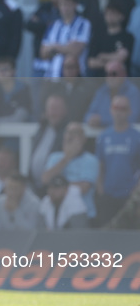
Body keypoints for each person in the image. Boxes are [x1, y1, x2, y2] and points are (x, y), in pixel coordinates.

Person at [95, 95, 140, 225]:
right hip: (108, 195)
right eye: (116, 107)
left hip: (130, 196)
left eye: (123, 108)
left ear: (129, 111)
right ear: (111, 110)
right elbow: (100, 166)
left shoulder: (136, 137)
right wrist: (100, 189)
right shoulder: (104, 137)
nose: (119, 112)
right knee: (107, 235)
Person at [42, 122, 100, 220]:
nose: (70, 136)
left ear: (83, 139)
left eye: (75, 132)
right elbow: (45, 180)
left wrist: (57, 187)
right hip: (56, 214)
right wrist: (67, 157)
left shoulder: (91, 160)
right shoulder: (54, 157)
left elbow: (83, 188)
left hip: (82, 214)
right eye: (68, 132)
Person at [40, 0, 91, 78]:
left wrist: (53, 47)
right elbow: (43, 53)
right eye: (62, 4)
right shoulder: (53, 26)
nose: (64, 8)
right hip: (52, 77)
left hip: (74, 78)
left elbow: (76, 51)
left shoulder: (83, 24)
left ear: (75, 5)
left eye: (67, 4)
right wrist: (66, 48)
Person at [84, 61, 140, 128]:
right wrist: (90, 119)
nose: (110, 77)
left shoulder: (133, 92)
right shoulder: (101, 91)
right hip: (99, 135)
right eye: (107, 74)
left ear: (123, 75)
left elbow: (132, 118)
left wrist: (102, 121)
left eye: (113, 73)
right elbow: (88, 114)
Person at [25, 0, 64, 76]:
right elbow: (29, 24)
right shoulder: (44, 7)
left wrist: (43, 24)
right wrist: (47, 25)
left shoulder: (67, 10)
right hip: (40, 61)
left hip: (59, 62)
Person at [87, 2, 135, 76]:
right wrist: (112, 61)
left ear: (122, 16)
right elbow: (91, 62)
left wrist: (102, 56)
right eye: (107, 13)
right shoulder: (97, 37)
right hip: (99, 80)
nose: (110, 16)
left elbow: (122, 57)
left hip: (121, 81)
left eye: (113, 13)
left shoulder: (128, 37)